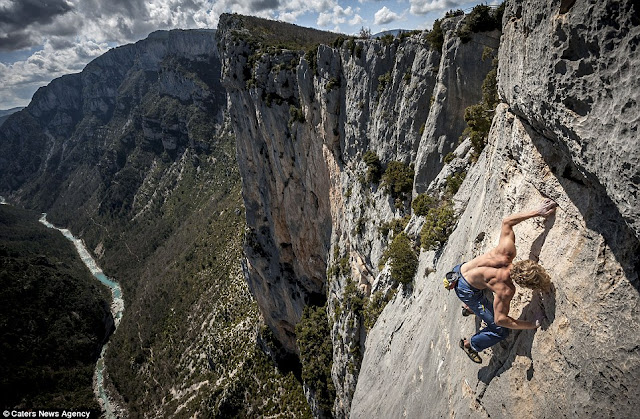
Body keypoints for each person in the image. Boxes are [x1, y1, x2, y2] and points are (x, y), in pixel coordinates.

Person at [453, 198, 557, 363]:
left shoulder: (506, 252)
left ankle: (473, 308)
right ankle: (471, 345)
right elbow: (500, 320)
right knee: (500, 331)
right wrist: (531, 323)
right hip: (465, 289)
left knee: (484, 283)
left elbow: (507, 222)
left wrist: (538, 211)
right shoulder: (506, 290)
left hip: (459, 270)